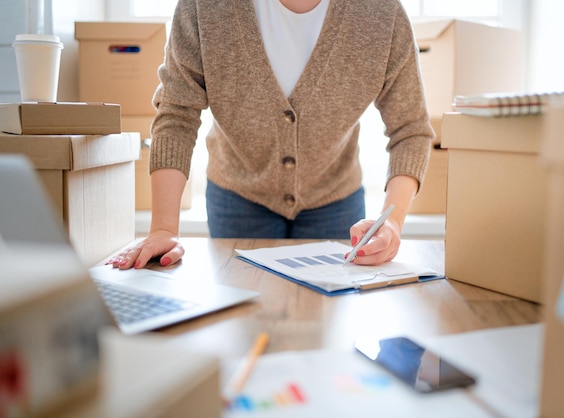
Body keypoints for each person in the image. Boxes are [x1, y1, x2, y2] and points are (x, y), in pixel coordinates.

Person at [111, 0, 434, 270]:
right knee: (246, 324)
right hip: (238, 196)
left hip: (335, 199)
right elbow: (177, 114)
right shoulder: (205, 7)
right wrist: (164, 228)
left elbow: (411, 129)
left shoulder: (380, 13)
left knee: (325, 331)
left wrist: (391, 221)